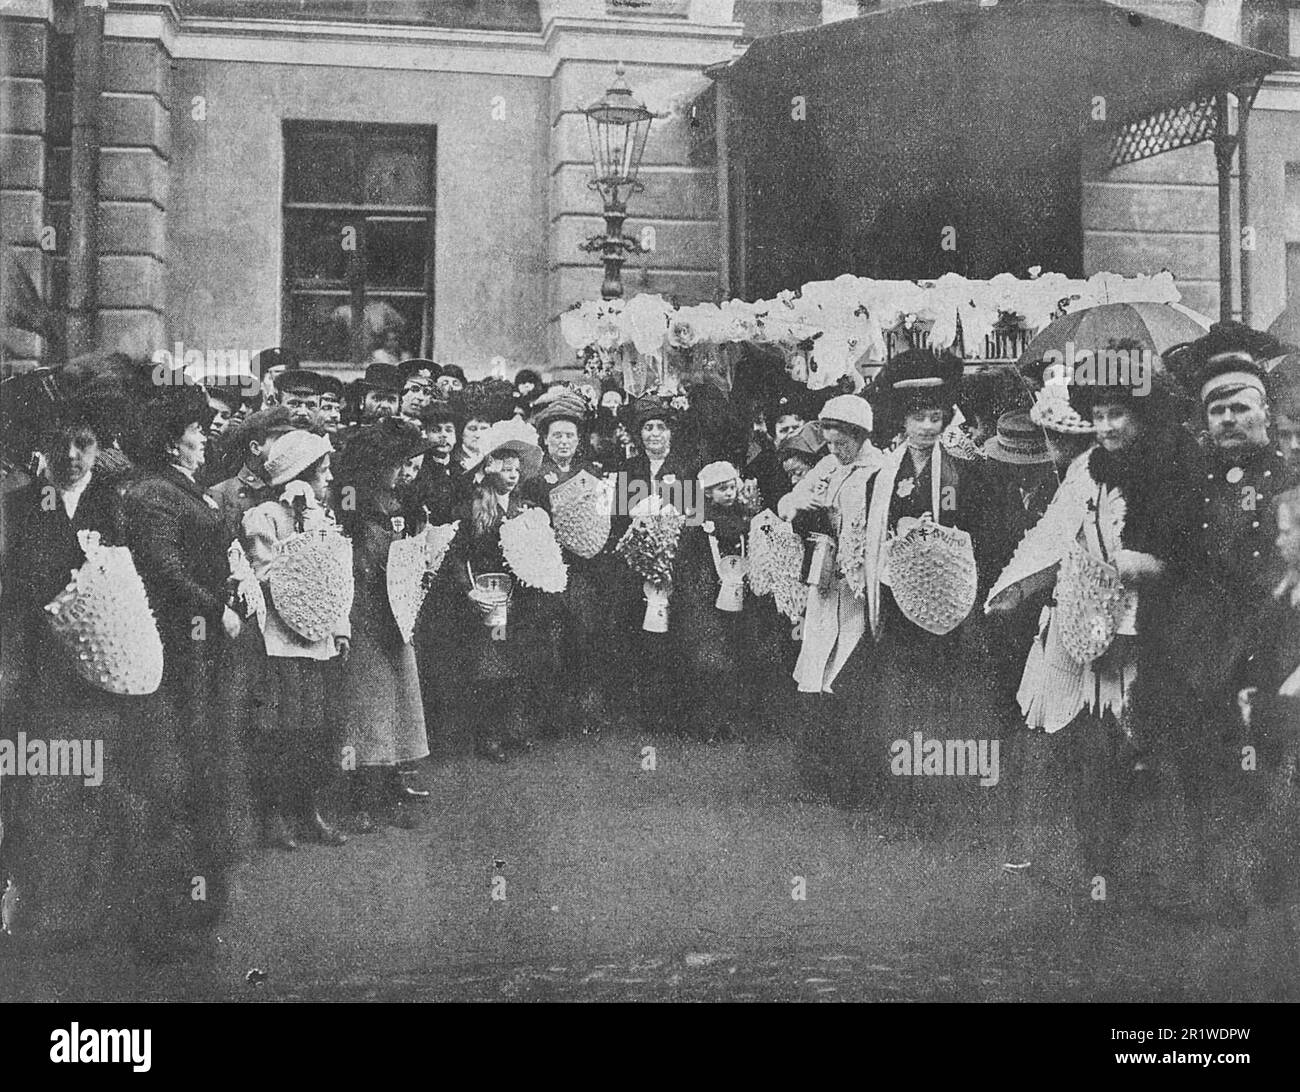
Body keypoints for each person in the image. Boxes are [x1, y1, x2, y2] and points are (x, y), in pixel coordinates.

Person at [986, 369, 1201, 901]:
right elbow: (1053, 533)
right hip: (1088, 623)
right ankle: (1104, 869)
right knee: (1091, 748)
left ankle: (1161, 872)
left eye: (1117, 414)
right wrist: (1013, 587)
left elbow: (1195, 557)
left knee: (1149, 747)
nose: (1105, 427)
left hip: (1154, 629)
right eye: (1098, 416)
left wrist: (1145, 568)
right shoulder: (1086, 468)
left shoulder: (1171, 470)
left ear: (1142, 415)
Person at [120, 379, 245, 960]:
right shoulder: (153, 494)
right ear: (175, 442)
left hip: (202, 648)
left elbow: (205, 555)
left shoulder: (181, 487)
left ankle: (199, 888)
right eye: (197, 429)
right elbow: (162, 572)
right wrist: (215, 607)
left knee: (202, 759)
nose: (206, 436)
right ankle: (164, 907)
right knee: (174, 767)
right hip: (175, 646)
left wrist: (233, 590)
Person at [846, 349, 996, 825]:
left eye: (935, 418)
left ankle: (942, 799)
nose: (928, 428)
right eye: (918, 418)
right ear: (903, 422)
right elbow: (874, 539)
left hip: (946, 601)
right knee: (900, 695)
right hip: (896, 598)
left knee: (942, 696)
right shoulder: (881, 481)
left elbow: (977, 538)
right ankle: (901, 797)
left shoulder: (964, 476)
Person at [240, 430, 350, 850]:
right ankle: (273, 814)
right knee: (280, 728)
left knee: (315, 728)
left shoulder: (324, 518)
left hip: (318, 637)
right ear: (299, 477)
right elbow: (267, 574)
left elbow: (337, 575)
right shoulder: (265, 517)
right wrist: (299, 543)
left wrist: (339, 627)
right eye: (322, 472)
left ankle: (307, 809)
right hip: (280, 640)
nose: (329, 480)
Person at [778, 393, 885, 803]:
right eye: (831, 441)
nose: (836, 450)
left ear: (861, 436)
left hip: (857, 588)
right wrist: (798, 505)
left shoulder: (878, 471)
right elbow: (788, 502)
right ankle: (820, 772)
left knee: (848, 679)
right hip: (824, 584)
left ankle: (855, 779)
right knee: (816, 674)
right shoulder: (827, 465)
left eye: (843, 442)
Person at [333, 417, 433, 829]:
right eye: (398, 463)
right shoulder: (354, 502)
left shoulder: (398, 503)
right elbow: (349, 558)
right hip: (364, 611)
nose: (405, 472)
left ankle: (391, 778)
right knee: (366, 706)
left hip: (394, 609)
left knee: (396, 700)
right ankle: (359, 797)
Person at [445, 422, 559, 762]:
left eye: (515, 469)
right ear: (490, 468)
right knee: (492, 665)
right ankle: (488, 734)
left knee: (519, 662)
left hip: (522, 596)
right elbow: (456, 554)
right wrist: (468, 590)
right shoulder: (475, 505)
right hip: (491, 593)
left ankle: (514, 728)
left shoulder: (525, 506)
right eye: (505, 468)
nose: (511, 475)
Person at [525, 388, 619, 733]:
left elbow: (602, 519)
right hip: (549, 567)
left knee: (584, 636)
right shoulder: (535, 476)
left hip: (585, 569)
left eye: (569, 435)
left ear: (579, 439)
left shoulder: (592, 472)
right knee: (551, 641)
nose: (563, 442)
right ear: (546, 440)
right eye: (556, 436)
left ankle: (584, 711)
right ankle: (549, 715)